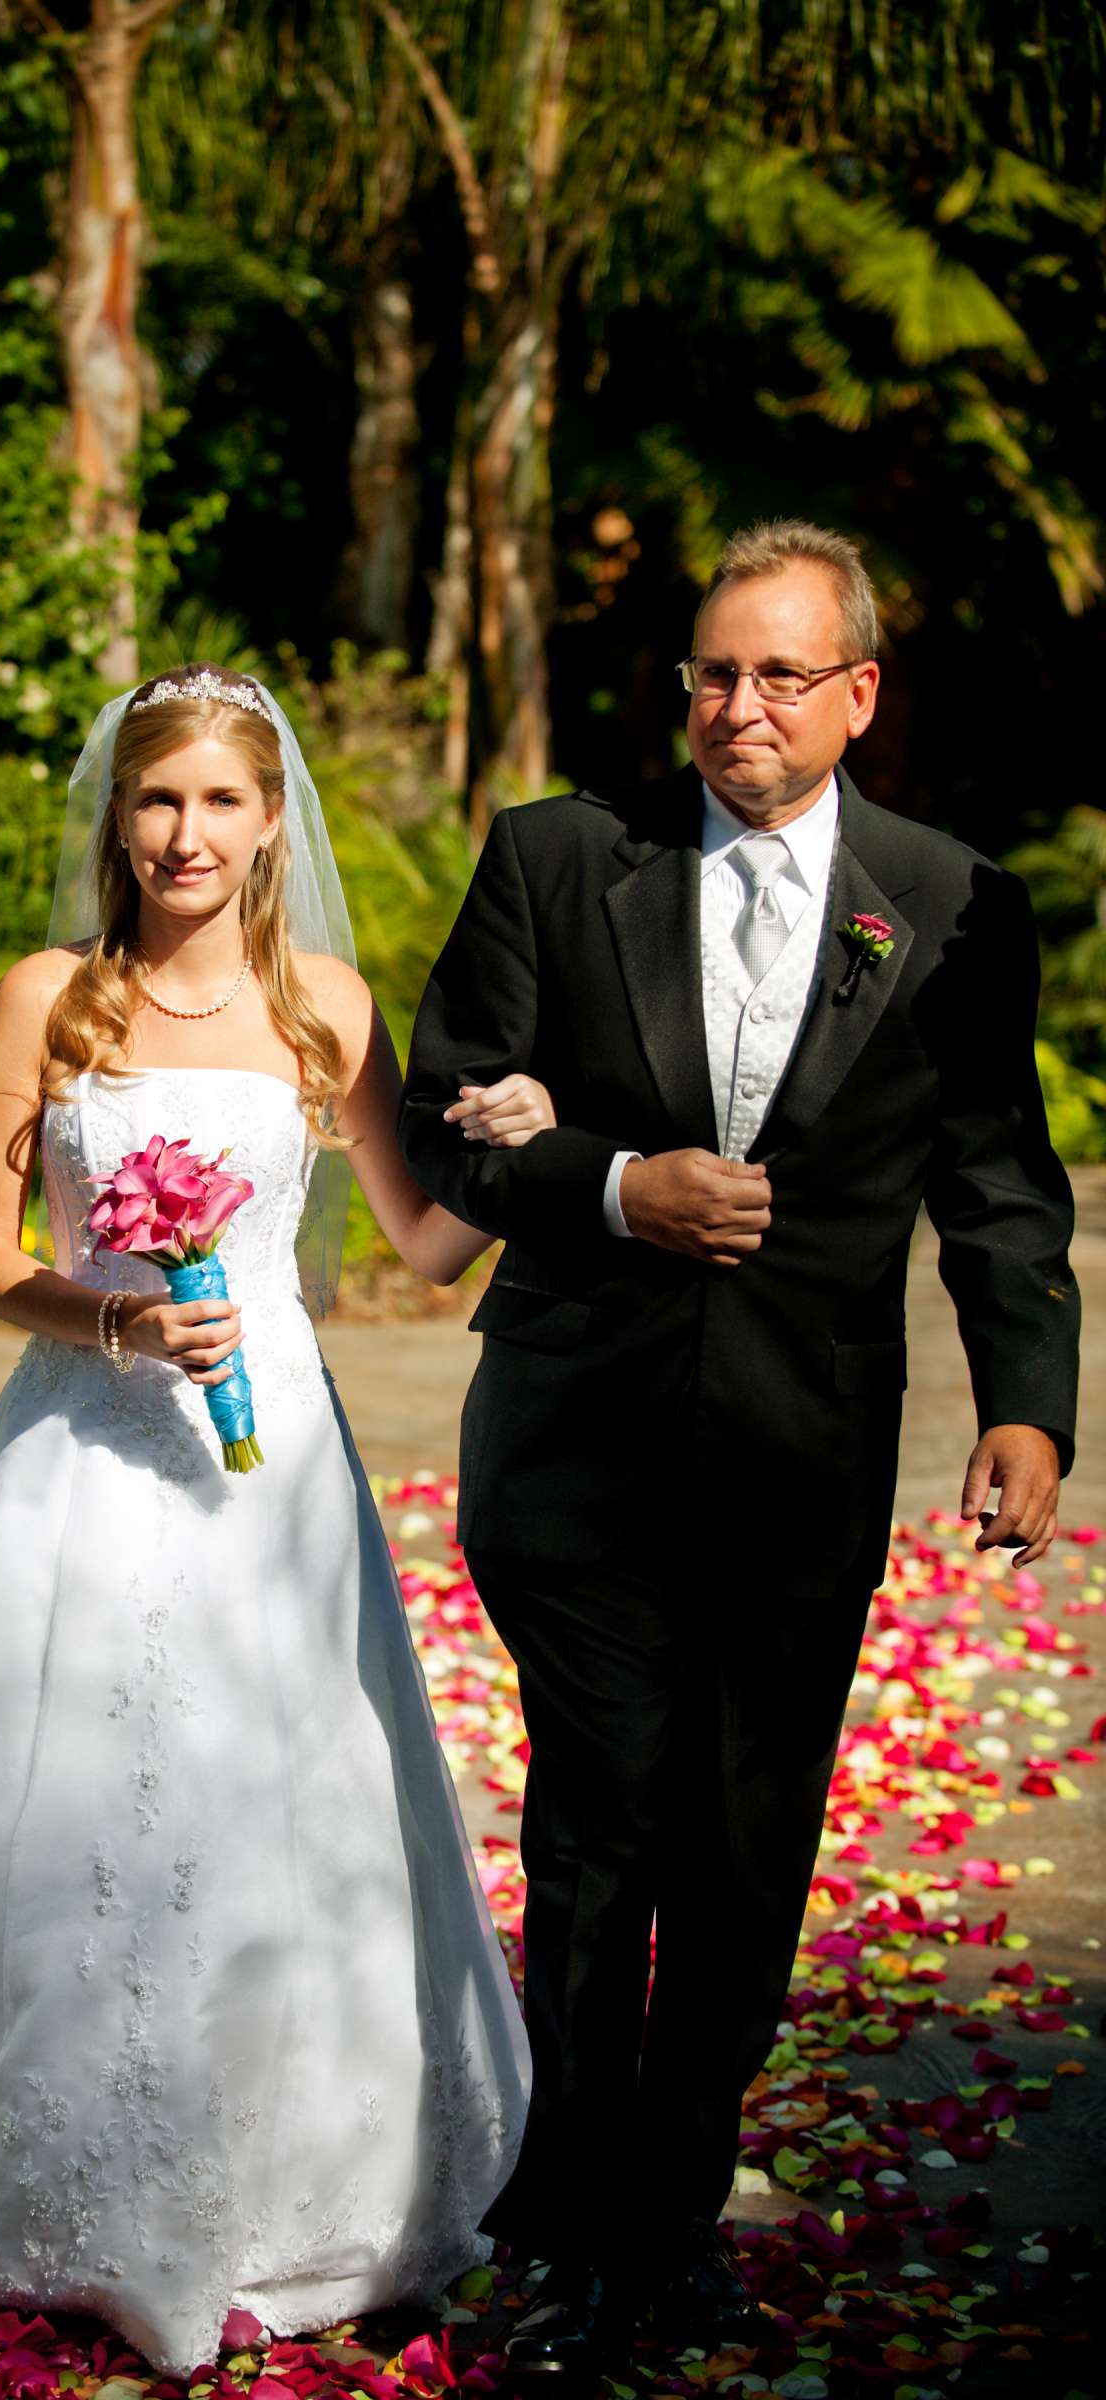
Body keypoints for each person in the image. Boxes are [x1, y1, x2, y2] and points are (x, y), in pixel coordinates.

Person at [0, 665, 541, 2376]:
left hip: (267, 1477)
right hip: (79, 1449)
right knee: (45, 1801)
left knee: (266, 1798)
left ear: (273, 818)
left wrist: (523, 1148)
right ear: (117, 819)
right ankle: (23, 2159)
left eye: (220, 801)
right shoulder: (47, 998)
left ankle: (294, 2174)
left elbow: (428, 1246)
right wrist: (112, 1320)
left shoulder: (330, 1009)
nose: (187, 835)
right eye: (158, 801)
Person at [399, 521, 1079, 2379]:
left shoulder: (950, 901)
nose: (737, 707)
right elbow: (447, 1120)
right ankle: (558, 2220)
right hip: (576, 1447)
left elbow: (1001, 1190)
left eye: (781, 675)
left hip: (800, 1466)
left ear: (858, 696)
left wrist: (1024, 1398)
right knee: (603, 1823)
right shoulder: (561, 856)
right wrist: (616, 1187)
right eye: (714, 670)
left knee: (747, 1852)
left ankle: (671, 2226)